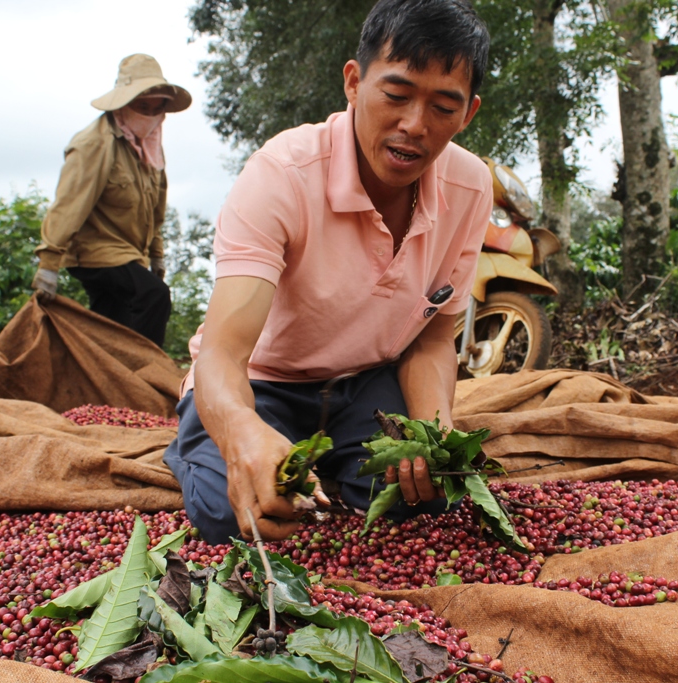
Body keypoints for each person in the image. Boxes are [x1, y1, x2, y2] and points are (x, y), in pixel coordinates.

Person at [164, 0, 493, 545]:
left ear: (468, 113)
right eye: (396, 95)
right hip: (262, 381)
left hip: (366, 379)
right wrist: (244, 433)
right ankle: (197, 442)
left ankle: (341, 451)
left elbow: (435, 341)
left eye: (442, 107)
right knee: (235, 517)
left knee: (422, 500)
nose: (414, 125)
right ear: (353, 82)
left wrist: (435, 433)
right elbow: (224, 354)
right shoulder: (283, 174)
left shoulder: (470, 187)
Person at [31, 54, 191, 347]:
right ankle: (147, 377)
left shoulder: (150, 146)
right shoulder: (94, 143)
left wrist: (156, 254)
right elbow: (69, 203)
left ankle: (105, 382)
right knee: (153, 295)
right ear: (123, 103)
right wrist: (48, 264)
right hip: (94, 252)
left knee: (112, 326)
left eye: (158, 109)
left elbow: (157, 210)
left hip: (129, 252)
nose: (150, 115)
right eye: (143, 107)